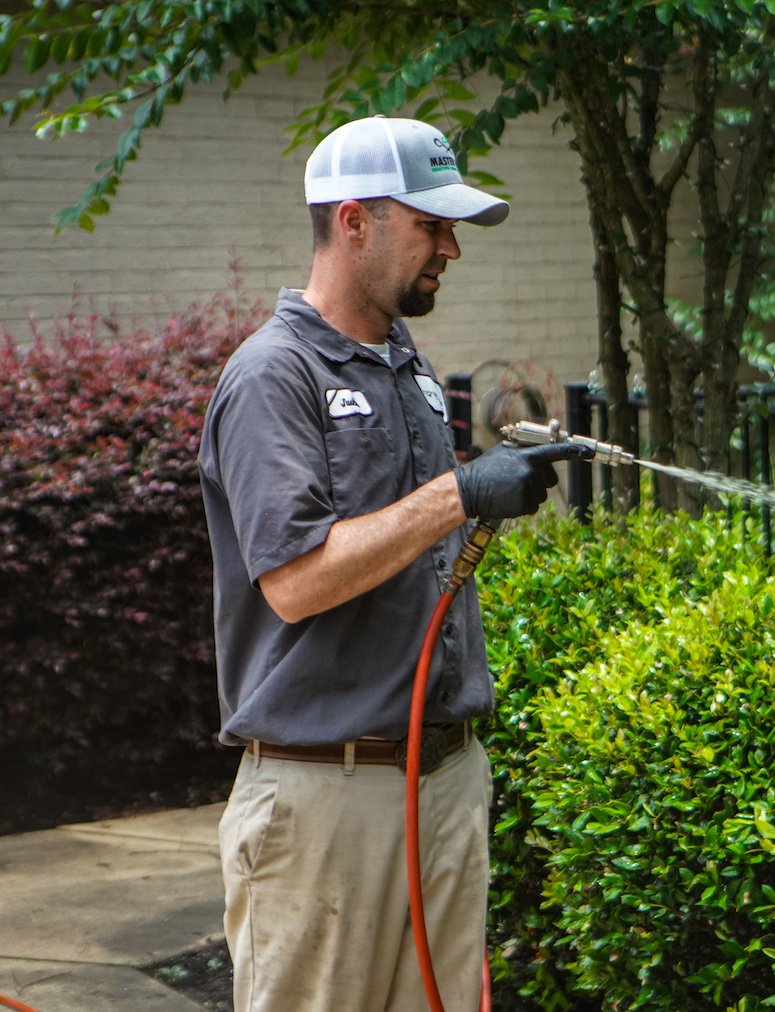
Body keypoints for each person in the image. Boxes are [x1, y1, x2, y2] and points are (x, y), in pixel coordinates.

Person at [198, 115, 588, 1012]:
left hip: (443, 778)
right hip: (325, 799)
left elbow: (409, 546)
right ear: (354, 222)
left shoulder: (406, 367)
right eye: (431, 224)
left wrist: (485, 485)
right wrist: (462, 493)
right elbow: (296, 584)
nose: (450, 247)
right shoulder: (273, 377)